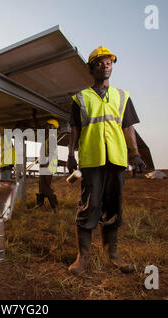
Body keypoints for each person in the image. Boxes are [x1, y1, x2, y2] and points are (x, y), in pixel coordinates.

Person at [66, 46, 146, 274]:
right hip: (91, 161)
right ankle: (83, 257)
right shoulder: (80, 97)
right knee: (89, 205)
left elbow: (128, 126)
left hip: (117, 159)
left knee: (114, 206)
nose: (106, 66)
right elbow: (74, 128)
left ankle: (113, 255)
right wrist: (70, 154)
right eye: (100, 63)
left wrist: (136, 154)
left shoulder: (122, 96)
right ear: (92, 68)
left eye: (109, 62)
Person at [33, 119, 59, 213]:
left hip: (48, 166)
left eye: (48, 125)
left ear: (52, 127)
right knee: (41, 186)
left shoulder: (52, 137)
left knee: (46, 187)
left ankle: (55, 207)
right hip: (44, 165)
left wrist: (45, 163)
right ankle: (39, 204)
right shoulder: (48, 137)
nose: (46, 127)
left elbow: (51, 153)